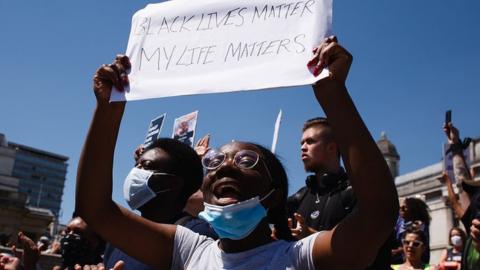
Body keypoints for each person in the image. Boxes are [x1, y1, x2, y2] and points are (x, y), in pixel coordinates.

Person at [76, 36, 398, 269]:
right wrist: (108, 109)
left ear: (272, 195)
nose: (224, 166)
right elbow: (97, 210)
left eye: (246, 161)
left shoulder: (297, 259)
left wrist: (333, 94)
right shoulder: (189, 251)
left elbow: (378, 213)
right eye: (214, 161)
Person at [287, 117, 393, 269]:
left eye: (310, 142)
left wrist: (310, 236)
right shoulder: (298, 199)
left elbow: (365, 251)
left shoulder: (359, 193)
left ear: (332, 148)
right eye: (302, 143)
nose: (303, 147)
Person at [104, 137, 216, 269]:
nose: (135, 173)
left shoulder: (197, 235)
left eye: (146, 166)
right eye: (136, 166)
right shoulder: (117, 239)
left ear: (173, 183)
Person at [392, 197, 431, 264]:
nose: (401, 210)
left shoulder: (420, 225)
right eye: (400, 208)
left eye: (404, 208)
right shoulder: (401, 223)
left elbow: (415, 245)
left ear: (412, 210)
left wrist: (397, 251)